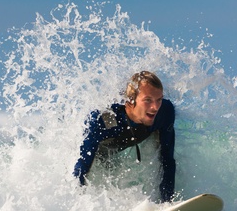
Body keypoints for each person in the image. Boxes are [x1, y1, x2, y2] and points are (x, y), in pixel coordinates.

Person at [73, 71, 176, 202]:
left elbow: (167, 160)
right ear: (130, 101)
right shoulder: (107, 118)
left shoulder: (164, 112)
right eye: (147, 100)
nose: (155, 107)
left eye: (159, 99)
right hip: (102, 150)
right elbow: (83, 164)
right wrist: (76, 202)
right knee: (106, 174)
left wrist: (167, 202)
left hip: (132, 137)